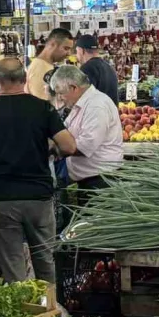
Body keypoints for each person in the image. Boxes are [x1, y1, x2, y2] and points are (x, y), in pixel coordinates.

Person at [0, 58, 77, 284]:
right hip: (39, 198)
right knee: (45, 260)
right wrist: (49, 148)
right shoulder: (42, 108)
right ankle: (48, 310)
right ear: (25, 80)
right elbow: (69, 146)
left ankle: (24, 315)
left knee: (13, 267)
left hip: (2, 198)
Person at [49, 65, 123, 194]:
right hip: (88, 179)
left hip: (100, 182)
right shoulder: (80, 105)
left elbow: (85, 146)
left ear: (73, 88)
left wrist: (57, 148)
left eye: (61, 93)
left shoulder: (96, 106)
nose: (60, 98)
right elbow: (66, 131)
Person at [27, 28, 73, 100]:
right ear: (52, 44)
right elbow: (41, 103)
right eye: (66, 48)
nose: (69, 53)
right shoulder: (41, 68)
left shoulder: (44, 65)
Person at [74, 34, 118, 105]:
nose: (76, 56)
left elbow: (84, 99)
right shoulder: (109, 67)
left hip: (97, 114)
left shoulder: (87, 68)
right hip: (111, 114)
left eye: (76, 52)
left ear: (82, 51)